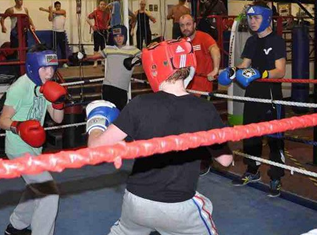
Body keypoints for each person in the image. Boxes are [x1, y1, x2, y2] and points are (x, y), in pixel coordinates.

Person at [86, 38, 233, 235]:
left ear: (152, 68)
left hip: (136, 202)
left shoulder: (139, 104)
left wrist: (96, 121)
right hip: (177, 206)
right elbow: (225, 160)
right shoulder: (205, 109)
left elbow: (94, 149)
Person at [218, 1, 286, 197]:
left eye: (256, 17)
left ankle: (275, 177)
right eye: (250, 18)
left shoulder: (277, 41)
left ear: (265, 18)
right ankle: (252, 170)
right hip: (252, 95)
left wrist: (261, 74)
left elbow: (280, 71)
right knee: (251, 134)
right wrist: (231, 71)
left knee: (274, 139)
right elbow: (244, 64)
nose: (252, 21)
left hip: (271, 97)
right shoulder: (251, 41)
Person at [0, 44, 66, 235]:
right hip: (18, 148)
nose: (49, 73)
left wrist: (58, 101)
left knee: (35, 188)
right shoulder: (19, 88)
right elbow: (3, 119)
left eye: (52, 68)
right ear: (33, 66)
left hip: (35, 148)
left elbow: (58, 119)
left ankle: (16, 226)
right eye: (45, 68)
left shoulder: (47, 88)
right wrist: (18, 126)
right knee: (49, 192)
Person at [85, 25, 140, 110]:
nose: (118, 38)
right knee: (108, 113)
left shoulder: (134, 50)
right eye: (116, 36)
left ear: (125, 36)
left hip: (121, 88)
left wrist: (137, 60)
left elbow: (146, 58)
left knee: (120, 116)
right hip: (107, 87)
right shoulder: (108, 49)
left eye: (121, 36)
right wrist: (81, 56)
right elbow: (94, 57)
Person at [179, 14, 221, 93]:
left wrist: (215, 70)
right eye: (182, 25)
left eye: (188, 24)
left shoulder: (204, 37)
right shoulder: (181, 42)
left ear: (194, 25)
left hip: (202, 88)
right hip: (186, 88)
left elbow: (215, 49)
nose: (185, 28)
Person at [39, 1, 67, 67]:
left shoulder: (63, 11)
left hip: (61, 32)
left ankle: (64, 63)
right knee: (53, 48)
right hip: (54, 32)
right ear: (55, 7)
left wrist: (47, 10)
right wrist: (50, 11)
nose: (58, 7)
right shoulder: (53, 13)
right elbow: (50, 19)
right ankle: (52, 62)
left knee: (63, 48)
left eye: (59, 6)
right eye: (57, 6)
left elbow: (59, 12)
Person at [86, 0, 111, 67]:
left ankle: (103, 62)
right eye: (101, 4)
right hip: (97, 32)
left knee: (103, 47)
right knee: (96, 47)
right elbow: (87, 18)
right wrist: (92, 26)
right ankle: (95, 62)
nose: (102, 6)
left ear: (105, 6)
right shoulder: (96, 12)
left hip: (104, 32)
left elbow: (108, 22)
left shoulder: (107, 13)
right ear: (99, 5)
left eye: (104, 4)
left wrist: (108, 27)